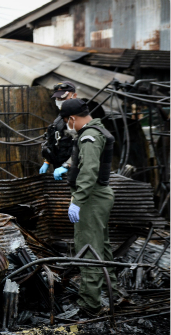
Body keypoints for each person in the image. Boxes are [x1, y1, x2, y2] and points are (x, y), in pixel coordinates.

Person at [60, 99, 118, 315]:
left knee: (88, 249)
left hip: (91, 198)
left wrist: (77, 200)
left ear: (72, 119)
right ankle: (116, 294)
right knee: (102, 246)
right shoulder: (99, 129)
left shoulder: (89, 136)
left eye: (67, 122)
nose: (67, 125)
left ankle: (90, 305)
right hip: (98, 196)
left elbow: (89, 170)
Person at [40, 81, 78, 180]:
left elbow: (83, 147)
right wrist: (47, 161)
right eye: (58, 98)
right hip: (60, 168)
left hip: (76, 170)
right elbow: (55, 139)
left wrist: (68, 165)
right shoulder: (60, 117)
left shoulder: (78, 118)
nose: (60, 100)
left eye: (63, 97)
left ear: (74, 96)